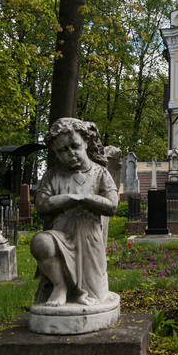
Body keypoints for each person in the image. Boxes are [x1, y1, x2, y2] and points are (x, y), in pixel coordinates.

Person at [30, 118, 118, 307]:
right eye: (63, 150)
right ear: (55, 151)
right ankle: (60, 285)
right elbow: (42, 204)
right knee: (41, 242)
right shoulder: (53, 176)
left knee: (95, 296)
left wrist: (87, 199)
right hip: (62, 234)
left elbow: (112, 205)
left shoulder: (100, 173)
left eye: (75, 146)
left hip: (90, 238)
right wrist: (69, 198)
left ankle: (83, 289)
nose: (71, 153)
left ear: (86, 142)